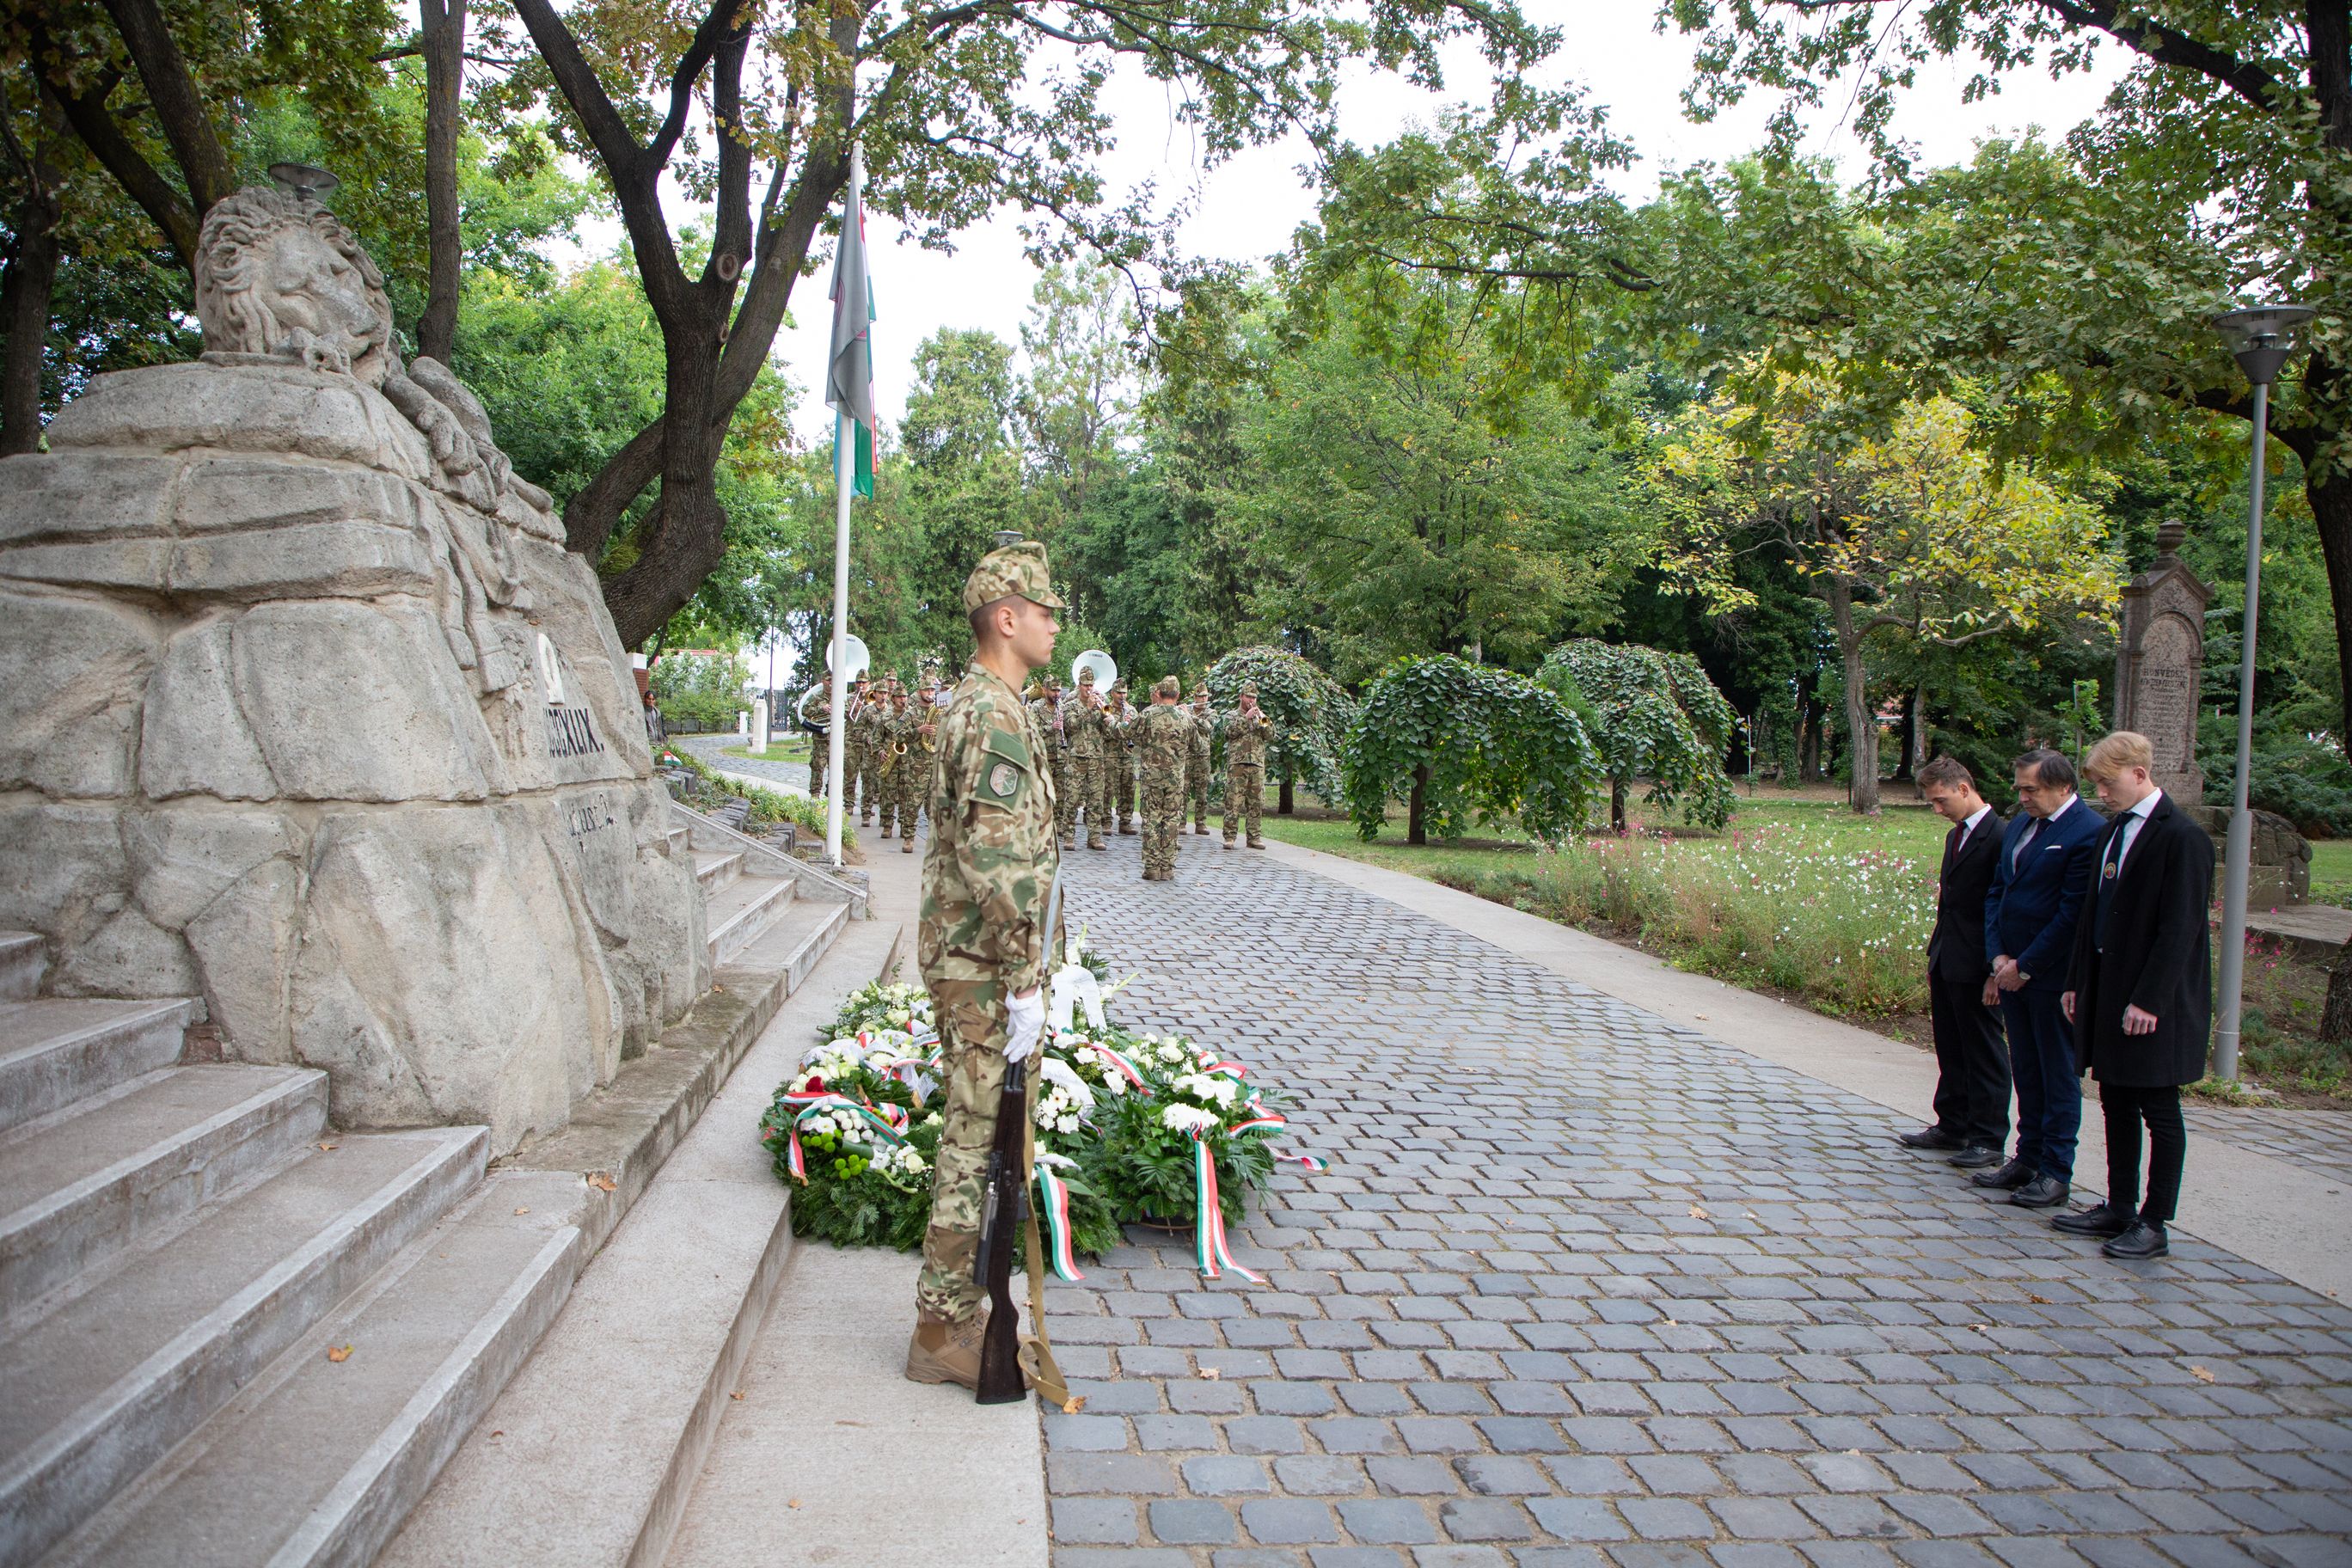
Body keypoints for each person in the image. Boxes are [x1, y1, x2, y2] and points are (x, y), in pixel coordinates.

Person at [909, 539, 1065, 1389]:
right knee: (977, 1146)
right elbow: (998, 860)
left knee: (986, 1141)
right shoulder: (992, 713)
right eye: (1043, 612)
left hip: (980, 963)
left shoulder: (996, 704)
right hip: (984, 969)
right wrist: (1023, 978)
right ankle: (942, 1330)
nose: (1053, 625)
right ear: (1006, 619)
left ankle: (958, 1312)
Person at [2059, 732, 2214, 1261]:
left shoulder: (2182, 838)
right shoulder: (2113, 831)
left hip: (2155, 999)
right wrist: (2078, 981)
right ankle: (2120, 1204)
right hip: (2108, 988)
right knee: (2116, 1100)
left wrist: (2149, 999)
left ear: (2140, 774)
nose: (2101, 793)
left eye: (2108, 783)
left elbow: (2181, 929)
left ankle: (2155, 1220)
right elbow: (2092, 915)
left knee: (2158, 1109)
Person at [1978, 748, 2103, 1210]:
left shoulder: (2088, 831)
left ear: (2064, 787)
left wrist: (2025, 965)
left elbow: (2073, 913)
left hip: (2051, 977)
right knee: (2027, 1070)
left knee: (2057, 1075)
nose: (2023, 797)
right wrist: (1998, 957)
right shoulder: (2020, 826)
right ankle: (2026, 1157)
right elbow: (1998, 892)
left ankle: (2055, 1170)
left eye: (2032, 789)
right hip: (2010, 970)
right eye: (2020, 789)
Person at [1902, 756, 2009, 1168]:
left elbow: (2001, 907)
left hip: (1980, 961)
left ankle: (1987, 1136)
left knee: (1983, 1051)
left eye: (1941, 800)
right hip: (1948, 955)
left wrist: (1994, 970)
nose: (1937, 809)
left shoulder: (2000, 836)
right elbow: (1949, 903)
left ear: (1964, 789)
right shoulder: (1956, 836)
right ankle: (1952, 1123)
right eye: (1932, 802)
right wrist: (1937, 954)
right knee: (1950, 1045)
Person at [1132, 676, 1193, 880]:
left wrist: (1111, 721)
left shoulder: (1148, 714)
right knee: (1172, 820)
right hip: (1175, 780)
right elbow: (1198, 744)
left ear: (1159, 693)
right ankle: (1167, 868)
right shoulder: (1184, 718)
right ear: (1178, 695)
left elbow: (1126, 732)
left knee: (1152, 819)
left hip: (1152, 778)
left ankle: (1152, 868)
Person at [1062, 666, 1111, 851]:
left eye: (1091, 685)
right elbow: (1071, 727)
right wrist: (1087, 709)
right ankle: (1068, 836)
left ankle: (1094, 837)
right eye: (1085, 685)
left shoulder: (1100, 704)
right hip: (1077, 758)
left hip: (1096, 758)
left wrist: (1104, 711)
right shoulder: (1070, 706)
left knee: (1096, 799)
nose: (1089, 689)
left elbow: (1109, 729)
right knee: (1072, 798)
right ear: (1079, 685)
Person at [1221, 684, 1273, 848]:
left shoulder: (1260, 716)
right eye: (1248, 696)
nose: (1251, 700)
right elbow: (1229, 732)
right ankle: (1230, 837)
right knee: (1233, 802)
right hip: (1238, 764)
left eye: (1254, 697)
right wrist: (1246, 718)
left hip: (1256, 764)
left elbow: (1271, 735)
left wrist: (1262, 718)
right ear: (1241, 697)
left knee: (1256, 803)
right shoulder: (1231, 715)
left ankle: (1254, 838)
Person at [1029, 673, 1074, 849]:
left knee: (1061, 793)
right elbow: (1031, 730)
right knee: (1042, 792)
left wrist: (1065, 727)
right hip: (1044, 757)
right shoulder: (1036, 707)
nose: (1057, 694)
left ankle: (1059, 824)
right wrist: (1051, 727)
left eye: (1059, 691)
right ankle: (1041, 824)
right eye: (1054, 690)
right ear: (1045, 690)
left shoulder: (1062, 707)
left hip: (1061, 756)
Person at [1106, 682, 1139, 834]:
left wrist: (1129, 724)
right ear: (1112, 693)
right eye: (1119, 693)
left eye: (1124, 693)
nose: (1122, 696)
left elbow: (1137, 732)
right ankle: (1106, 822)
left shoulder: (1131, 710)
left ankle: (1125, 821)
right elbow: (1106, 732)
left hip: (1127, 756)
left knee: (1128, 790)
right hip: (1111, 756)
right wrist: (1121, 724)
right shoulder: (1106, 708)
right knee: (1108, 790)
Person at [1186, 685, 1214, 835]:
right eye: (1201, 696)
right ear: (1195, 698)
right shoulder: (1187, 710)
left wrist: (1191, 717)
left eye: (1205, 696)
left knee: (1202, 792)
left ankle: (1201, 823)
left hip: (1202, 756)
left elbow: (1207, 727)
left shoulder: (1211, 712)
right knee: (1183, 790)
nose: (1204, 699)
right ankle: (1181, 822)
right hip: (1187, 755)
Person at [802, 683, 832, 799]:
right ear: (823, 681)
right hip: (820, 739)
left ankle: (832, 792)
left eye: (832, 680)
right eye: (828, 680)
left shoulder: (841, 696)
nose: (831, 683)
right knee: (818, 766)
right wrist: (821, 708)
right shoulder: (816, 696)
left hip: (837, 737)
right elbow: (805, 710)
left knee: (836, 767)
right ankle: (815, 794)